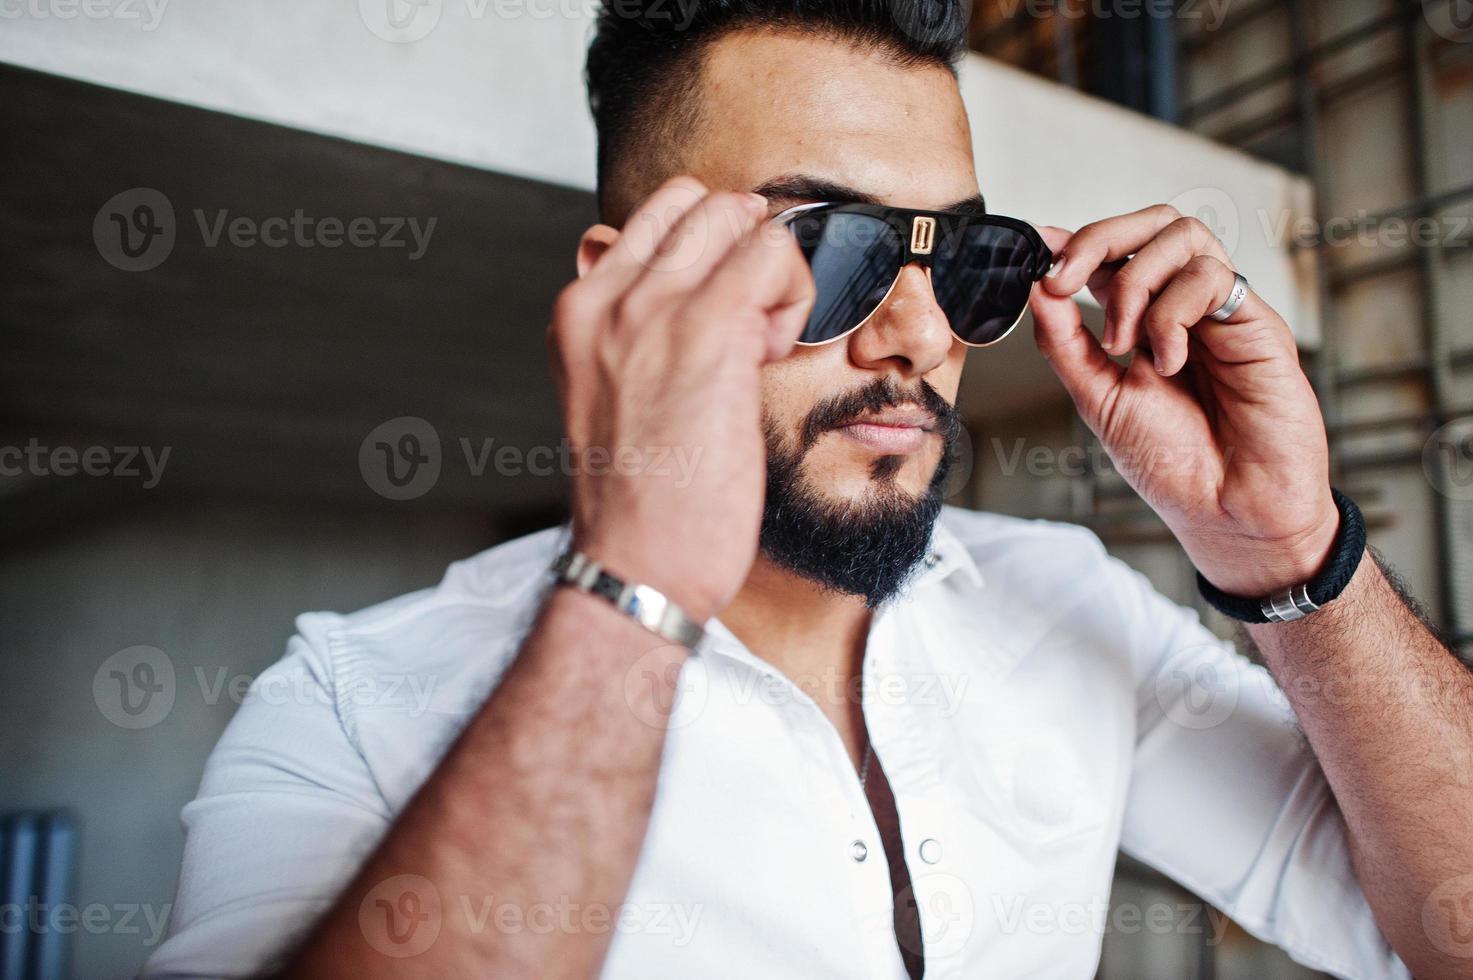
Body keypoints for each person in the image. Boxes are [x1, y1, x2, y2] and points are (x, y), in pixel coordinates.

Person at [142, 1, 1473, 977]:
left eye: (964, 258)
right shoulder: (349, 704)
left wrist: (1293, 556)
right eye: (828, 250)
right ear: (624, 282)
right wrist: (637, 585)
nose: (917, 335)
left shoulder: (1064, 602)